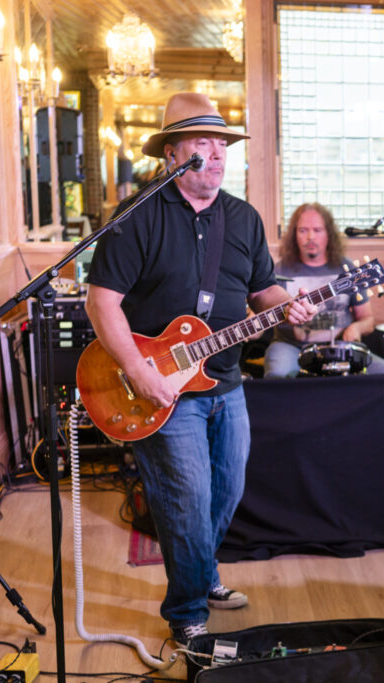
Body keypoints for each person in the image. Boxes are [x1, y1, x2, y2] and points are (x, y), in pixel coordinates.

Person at [84, 93, 317, 645]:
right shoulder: (137, 217)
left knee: (226, 491)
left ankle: (201, 573)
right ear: (172, 156)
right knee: (184, 500)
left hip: (226, 381)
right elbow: (102, 303)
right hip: (159, 387)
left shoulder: (242, 218)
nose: (215, 155)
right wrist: (140, 372)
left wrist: (292, 305)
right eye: (201, 144)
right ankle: (187, 611)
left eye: (222, 145)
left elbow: (264, 291)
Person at [263, 202, 384, 377]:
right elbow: (260, 311)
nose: (310, 237)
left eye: (317, 230)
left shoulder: (346, 268)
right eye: (303, 230)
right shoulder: (279, 270)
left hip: (339, 347)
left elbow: (367, 320)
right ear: (294, 234)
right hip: (291, 346)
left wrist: (356, 328)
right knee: (277, 375)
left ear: (329, 234)